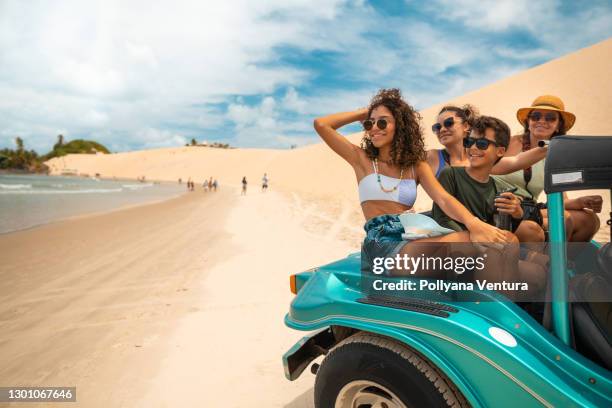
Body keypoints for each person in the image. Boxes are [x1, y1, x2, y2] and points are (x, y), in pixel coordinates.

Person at [314, 88, 511, 277]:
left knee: (496, 242)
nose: (374, 128)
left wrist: (474, 224)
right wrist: (368, 111)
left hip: (412, 234)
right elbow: (322, 124)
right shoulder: (361, 159)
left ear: (399, 124)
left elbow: (442, 198)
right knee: (467, 243)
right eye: (369, 124)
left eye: (382, 123)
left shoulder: (415, 165)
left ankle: (492, 304)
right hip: (382, 243)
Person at [431, 116, 547, 293]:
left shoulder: (497, 187)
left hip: (490, 253)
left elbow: (500, 229)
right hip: (462, 255)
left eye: (483, 144)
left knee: (539, 274)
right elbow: (442, 219)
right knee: (507, 249)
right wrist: (474, 238)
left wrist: (516, 214)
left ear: (500, 151)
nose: (473, 148)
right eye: (469, 142)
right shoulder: (450, 175)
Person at [494, 95, 602, 241]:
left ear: (558, 125)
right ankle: (552, 261)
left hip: (530, 207)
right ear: (528, 122)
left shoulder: (557, 155)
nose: (542, 121)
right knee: (565, 219)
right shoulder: (510, 143)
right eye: (536, 116)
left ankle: (564, 261)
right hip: (502, 203)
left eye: (550, 118)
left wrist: (581, 202)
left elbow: (559, 200)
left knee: (589, 220)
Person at [427, 105, 548, 178]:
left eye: (449, 123)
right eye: (437, 127)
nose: (442, 129)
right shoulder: (432, 157)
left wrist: (553, 145)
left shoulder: (479, 160)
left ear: (465, 126)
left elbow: (517, 161)